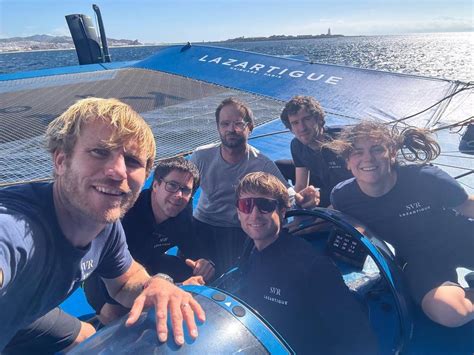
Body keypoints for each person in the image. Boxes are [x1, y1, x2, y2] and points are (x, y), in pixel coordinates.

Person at [0, 98, 204, 353]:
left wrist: (156, 284)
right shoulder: (18, 224)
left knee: (89, 336)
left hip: (29, 309)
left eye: (132, 161)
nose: (118, 171)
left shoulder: (105, 224)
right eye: (100, 151)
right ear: (61, 160)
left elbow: (125, 280)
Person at [328, 120, 474, 327]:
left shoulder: (425, 178)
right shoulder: (343, 197)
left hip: (463, 237)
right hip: (419, 259)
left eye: (377, 149)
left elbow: (468, 205)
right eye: (357, 152)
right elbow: (331, 218)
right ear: (347, 162)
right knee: (450, 312)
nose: (367, 158)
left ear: (393, 153)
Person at [232, 172, 378, 354]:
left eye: (265, 206)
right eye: (246, 205)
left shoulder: (312, 267)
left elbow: (359, 341)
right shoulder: (250, 251)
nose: (254, 214)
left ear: (282, 211)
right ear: (239, 212)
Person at [190, 97, 319, 276]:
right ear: (218, 127)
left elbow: (289, 196)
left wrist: (305, 199)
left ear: (250, 127)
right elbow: (183, 193)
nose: (231, 129)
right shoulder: (201, 156)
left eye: (238, 124)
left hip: (240, 229)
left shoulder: (263, 164)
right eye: (225, 124)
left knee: (236, 279)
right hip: (202, 224)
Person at [84, 157, 215, 324]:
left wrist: (203, 263)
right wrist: (178, 286)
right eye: (172, 185)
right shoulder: (127, 213)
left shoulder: (182, 212)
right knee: (115, 314)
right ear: (155, 185)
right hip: (105, 273)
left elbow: (192, 247)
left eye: (186, 190)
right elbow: (107, 268)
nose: (178, 195)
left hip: (149, 261)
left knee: (196, 275)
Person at [279, 95, 352, 207]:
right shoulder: (297, 144)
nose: (302, 128)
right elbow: (301, 184)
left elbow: (361, 181)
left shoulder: (343, 137)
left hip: (346, 184)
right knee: (280, 166)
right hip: (321, 176)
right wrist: (298, 206)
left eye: (307, 119)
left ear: (319, 119)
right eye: (295, 123)